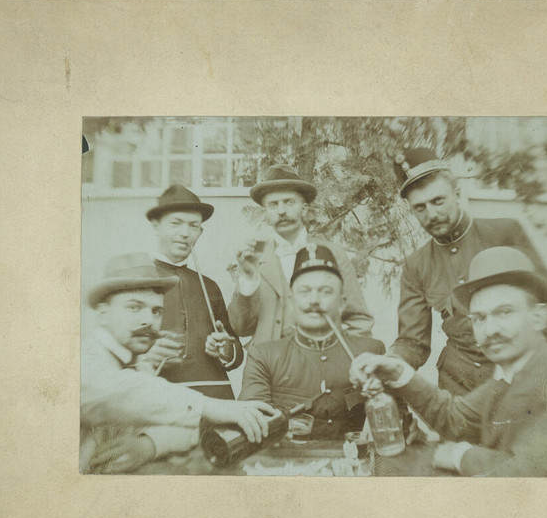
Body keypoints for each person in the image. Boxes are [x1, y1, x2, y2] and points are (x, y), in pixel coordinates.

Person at [350, 247, 547, 477]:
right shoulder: (508, 376)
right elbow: (454, 418)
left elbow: (527, 472)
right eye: (479, 318)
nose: (490, 330)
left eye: (505, 312)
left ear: (539, 317)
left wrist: (460, 455)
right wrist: (398, 372)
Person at [389, 148, 547, 395]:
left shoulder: (504, 233)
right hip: (459, 385)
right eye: (420, 207)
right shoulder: (416, 265)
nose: (431, 214)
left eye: (438, 201)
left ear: (457, 194)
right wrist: (390, 362)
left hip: (521, 381)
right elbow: (412, 342)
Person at [81, 252, 278, 473]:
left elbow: (188, 428)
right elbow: (122, 391)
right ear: (103, 314)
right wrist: (214, 407)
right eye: (134, 307)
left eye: (156, 311)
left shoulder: (136, 363)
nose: (148, 320)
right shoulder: (86, 359)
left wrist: (149, 445)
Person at [239, 244, 385, 440]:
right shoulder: (264, 356)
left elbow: (398, 424)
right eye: (305, 292)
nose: (314, 300)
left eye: (325, 291)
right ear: (291, 302)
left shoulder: (371, 353)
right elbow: (251, 423)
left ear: (342, 303)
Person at [228, 164, 373, 347]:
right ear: (266, 213)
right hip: (268, 368)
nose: (281, 211)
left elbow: (358, 318)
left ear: (304, 209)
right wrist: (248, 278)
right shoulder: (254, 256)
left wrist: (348, 363)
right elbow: (240, 327)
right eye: (273, 204)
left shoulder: (333, 253)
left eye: (289, 202)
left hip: (319, 365)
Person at [146, 185, 244, 400]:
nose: (185, 233)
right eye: (175, 223)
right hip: (159, 400)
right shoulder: (136, 281)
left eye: (193, 226)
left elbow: (235, 353)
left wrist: (226, 349)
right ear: (156, 226)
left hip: (213, 398)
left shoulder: (209, 286)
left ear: (200, 232)